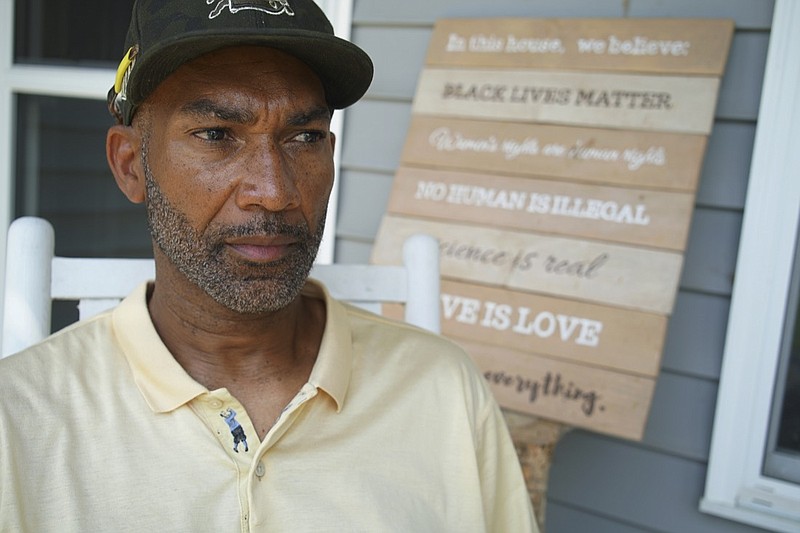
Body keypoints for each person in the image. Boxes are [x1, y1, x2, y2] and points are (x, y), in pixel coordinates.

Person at [0, 1, 539, 531]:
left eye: (303, 138)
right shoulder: (22, 419)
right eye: (216, 135)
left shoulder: (440, 388)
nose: (274, 192)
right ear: (129, 165)